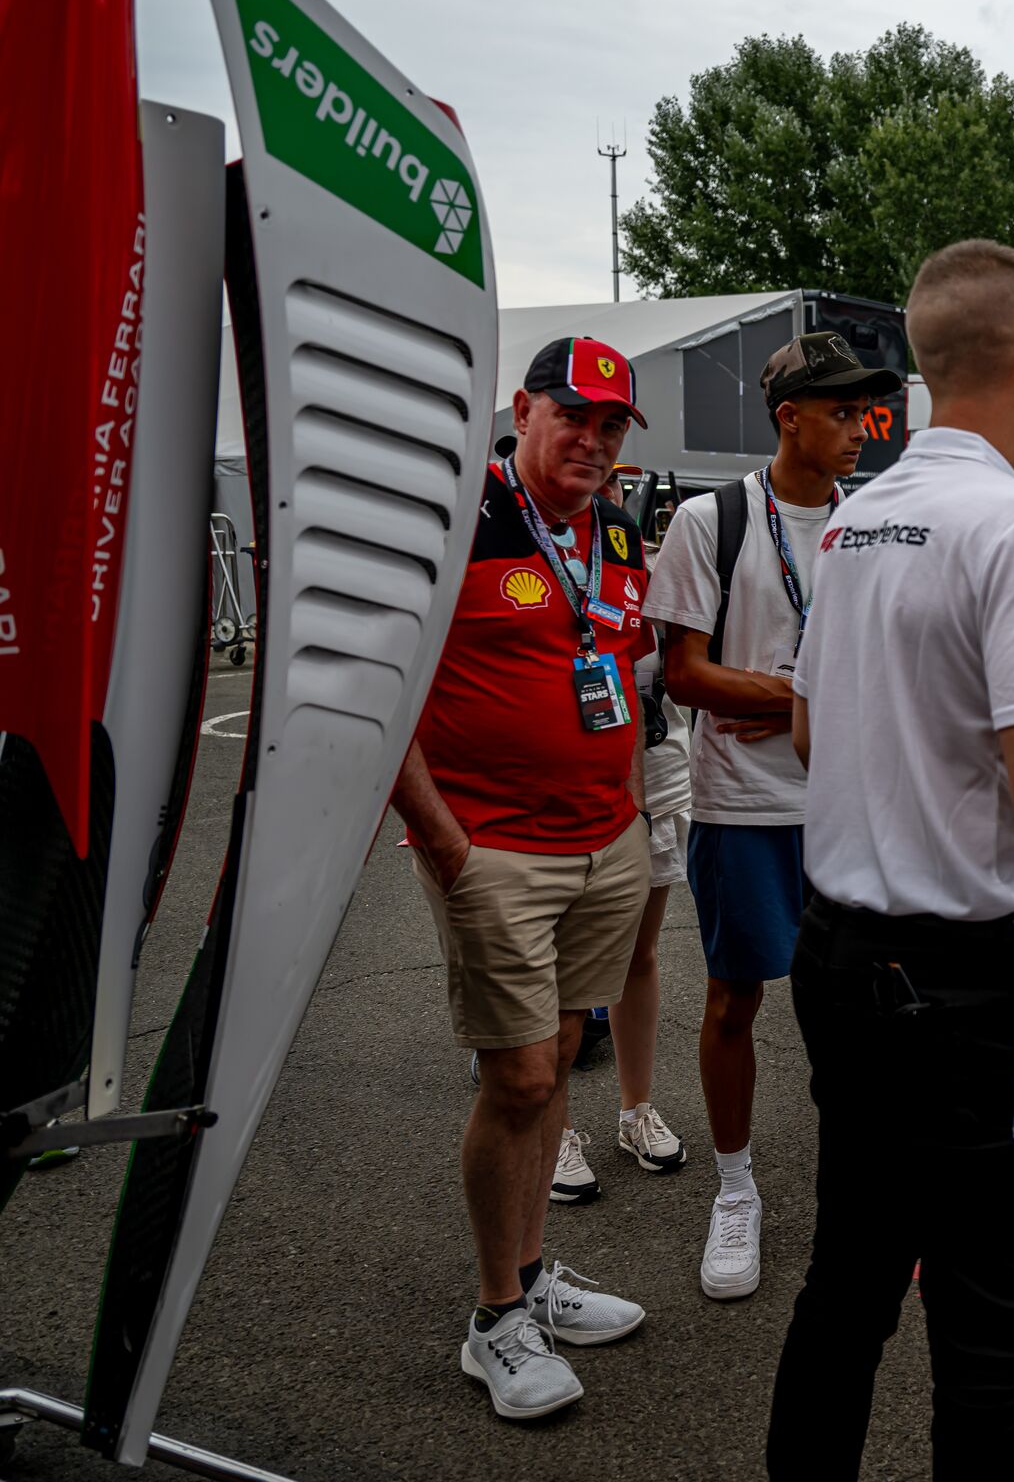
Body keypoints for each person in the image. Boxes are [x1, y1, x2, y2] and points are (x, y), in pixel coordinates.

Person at [766, 241, 1014, 1479]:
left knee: (849, 1282)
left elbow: (811, 728)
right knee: (989, 1319)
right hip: (971, 988)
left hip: (842, 955)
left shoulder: (856, 519)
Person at [389, 337, 654, 1419]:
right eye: (571, 416)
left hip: (603, 839)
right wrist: (446, 842)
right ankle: (495, 1314)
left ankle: (537, 1274)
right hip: (493, 848)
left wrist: (628, 804)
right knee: (522, 1080)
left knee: (558, 1059)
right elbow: (383, 690)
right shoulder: (460, 515)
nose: (590, 441)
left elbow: (624, 671)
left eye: (610, 425)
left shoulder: (623, 528)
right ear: (522, 411)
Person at [646, 330, 892, 1301]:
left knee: (865, 1011)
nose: (861, 428)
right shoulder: (713, 521)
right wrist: (789, 695)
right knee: (732, 1001)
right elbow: (684, 672)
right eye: (841, 410)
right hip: (744, 809)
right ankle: (736, 1188)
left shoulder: (873, 521)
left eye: (866, 410)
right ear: (788, 416)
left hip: (851, 806)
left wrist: (795, 703)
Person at [549, 471, 691, 1208]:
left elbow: (640, 650)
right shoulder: (503, 526)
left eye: (611, 442)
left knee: (637, 949)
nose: (599, 461)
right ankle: (554, 1128)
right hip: (552, 779)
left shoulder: (619, 535)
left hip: (646, 757)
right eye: (576, 426)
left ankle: (635, 1110)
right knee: (555, 964)